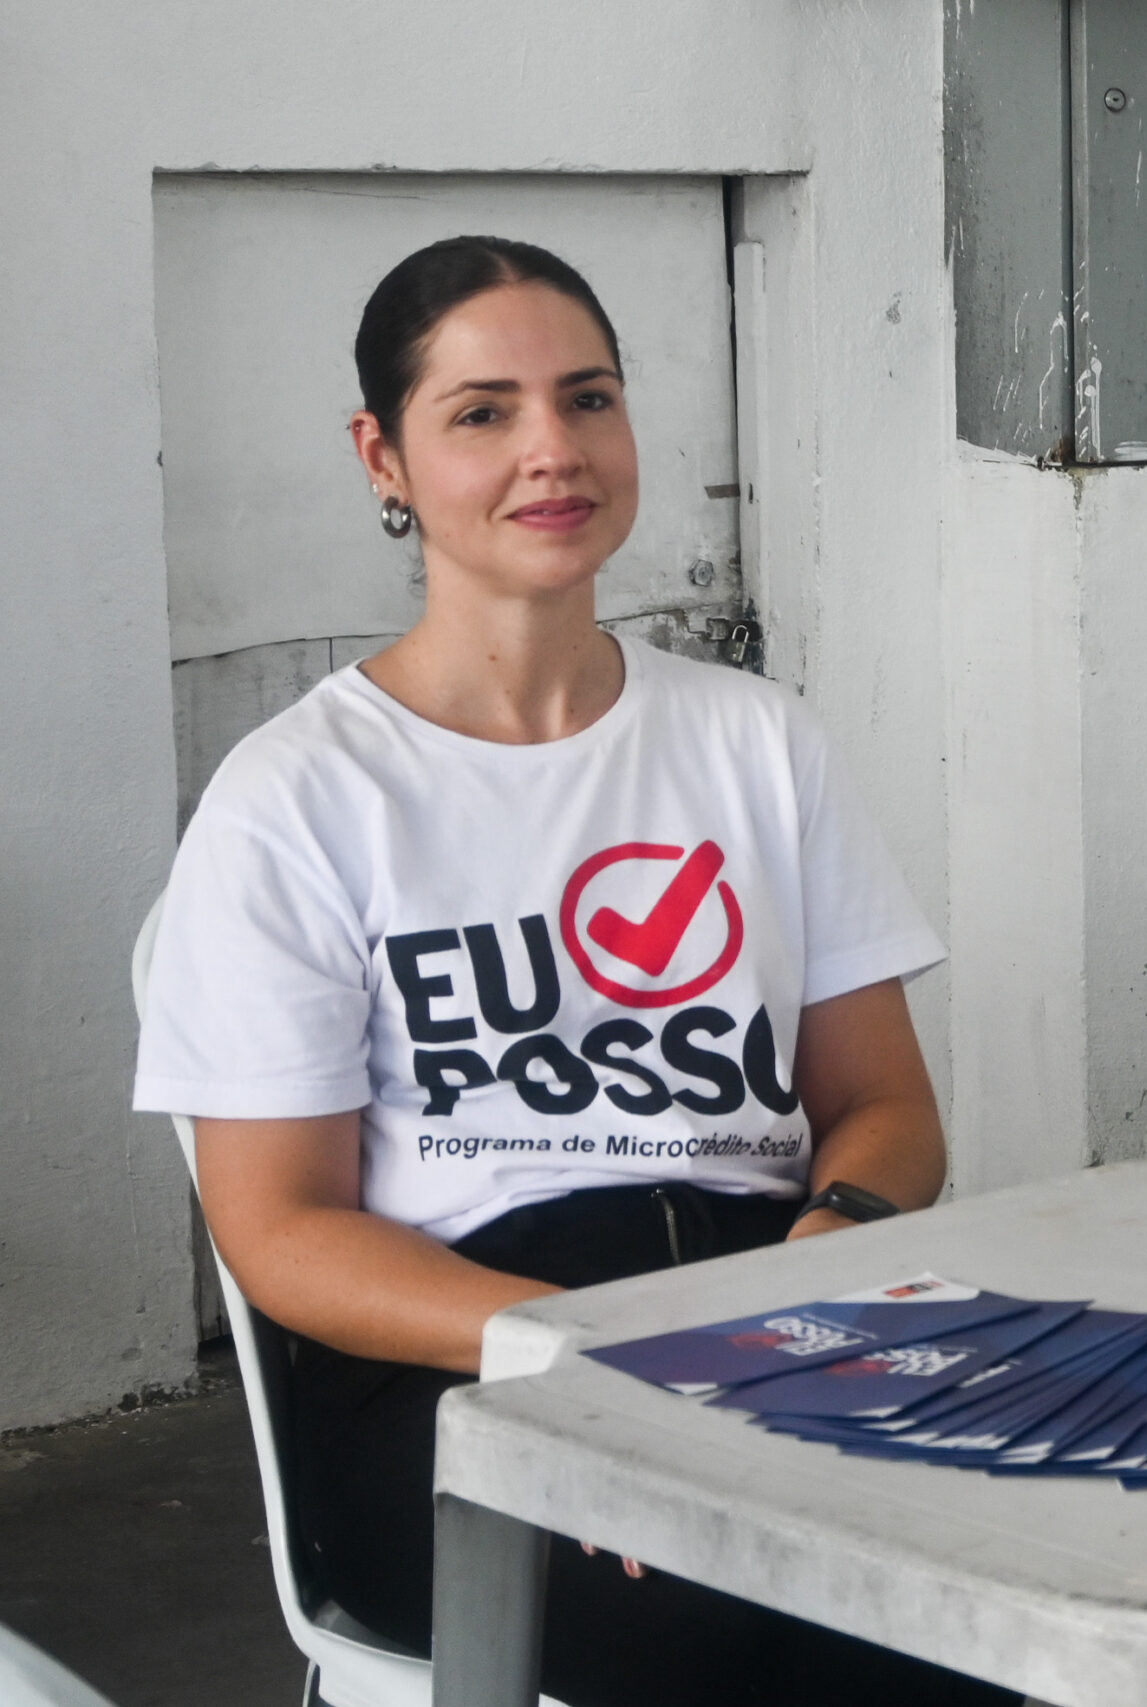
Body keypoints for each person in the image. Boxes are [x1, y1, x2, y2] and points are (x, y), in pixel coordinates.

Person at [134, 236, 1013, 1706]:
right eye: (483, 412)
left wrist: (824, 1253)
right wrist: (570, 1357)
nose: (554, 449)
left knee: (1022, 1557)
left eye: (589, 398)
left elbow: (885, 1109)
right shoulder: (299, 797)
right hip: (458, 1349)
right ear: (384, 457)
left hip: (756, 1303)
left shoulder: (756, 742)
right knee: (725, 1606)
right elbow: (281, 1229)